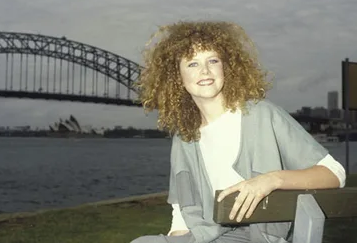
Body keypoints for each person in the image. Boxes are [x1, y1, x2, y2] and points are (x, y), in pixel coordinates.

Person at [131, 21, 346, 243]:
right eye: (192, 64)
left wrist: (271, 180)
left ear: (227, 67)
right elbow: (181, 212)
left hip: (262, 237)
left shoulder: (261, 115)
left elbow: (335, 174)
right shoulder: (184, 137)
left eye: (213, 60)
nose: (205, 70)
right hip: (207, 236)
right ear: (177, 78)